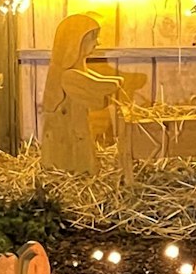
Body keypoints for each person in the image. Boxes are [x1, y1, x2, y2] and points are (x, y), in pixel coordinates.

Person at [38, 14, 133, 174]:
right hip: (67, 136)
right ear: (77, 42)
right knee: (74, 155)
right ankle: (73, 171)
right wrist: (114, 84)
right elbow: (94, 89)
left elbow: (95, 81)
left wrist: (115, 82)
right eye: (93, 38)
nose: (98, 43)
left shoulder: (78, 68)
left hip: (77, 127)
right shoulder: (68, 75)